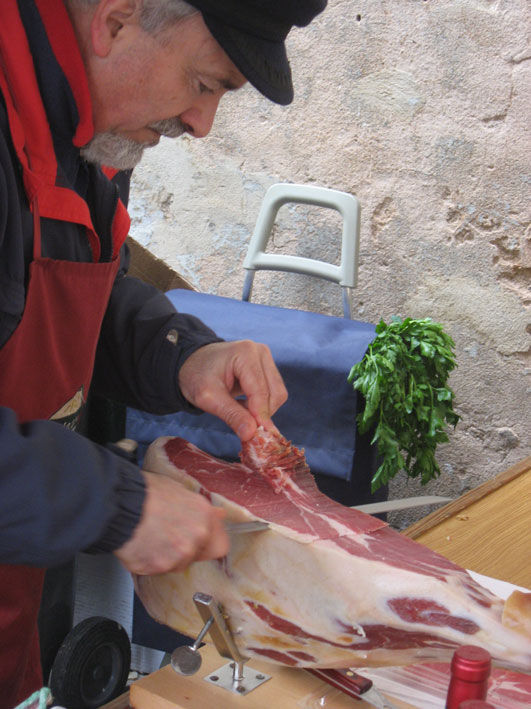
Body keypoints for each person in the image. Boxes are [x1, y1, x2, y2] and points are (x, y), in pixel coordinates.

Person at [0, 0, 327, 704]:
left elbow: (63, 290)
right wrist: (114, 504)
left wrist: (181, 355)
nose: (202, 124)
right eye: (204, 84)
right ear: (115, 21)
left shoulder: (94, 129)